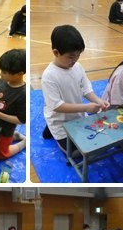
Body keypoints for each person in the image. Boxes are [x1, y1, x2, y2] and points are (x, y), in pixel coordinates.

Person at [41, 25, 110, 156]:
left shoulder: (78, 67)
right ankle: (51, 127)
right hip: (60, 122)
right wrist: (86, 108)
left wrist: (98, 101)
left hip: (77, 116)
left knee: (96, 142)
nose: (75, 60)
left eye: (78, 55)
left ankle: (50, 129)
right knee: (76, 154)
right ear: (56, 52)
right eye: (71, 57)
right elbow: (57, 106)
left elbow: (86, 89)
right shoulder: (49, 76)